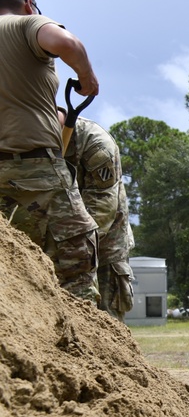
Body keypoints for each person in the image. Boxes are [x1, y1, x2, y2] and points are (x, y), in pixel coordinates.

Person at [0, 0, 100, 302]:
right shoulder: (25, 24)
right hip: (38, 173)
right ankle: (80, 351)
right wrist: (86, 77)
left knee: (11, 274)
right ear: (27, 4)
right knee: (76, 268)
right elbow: (67, 44)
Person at [60, 111, 135, 320]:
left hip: (105, 246)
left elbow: (101, 211)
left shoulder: (96, 143)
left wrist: (65, 248)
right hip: (64, 242)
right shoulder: (35, 140)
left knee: (106, 323)